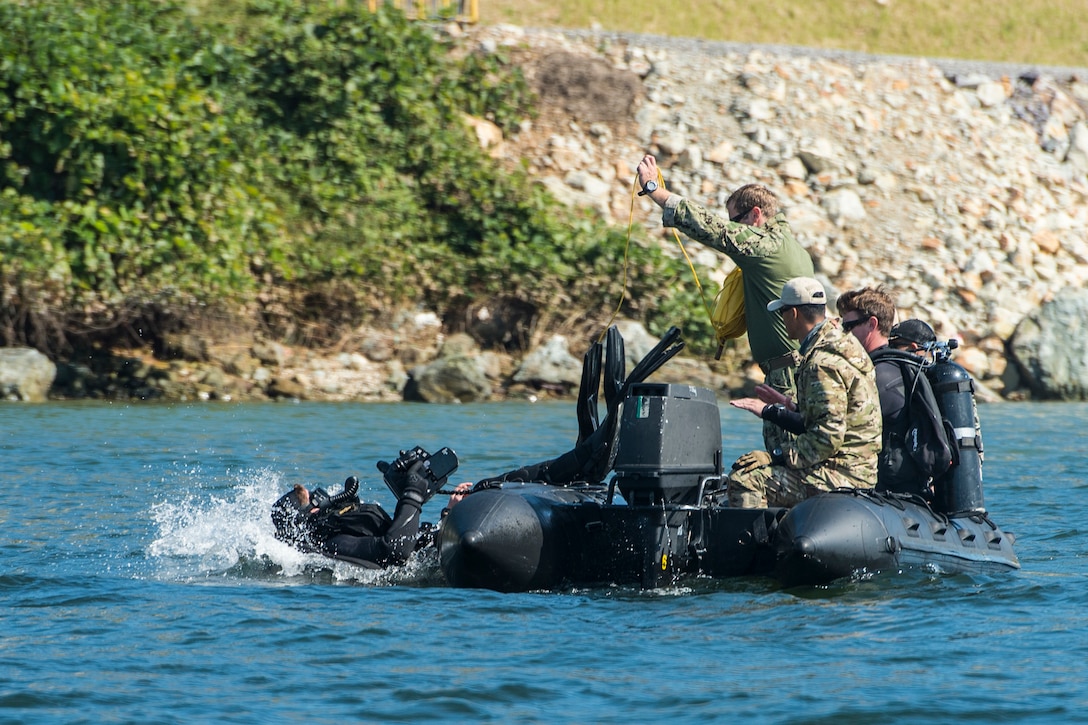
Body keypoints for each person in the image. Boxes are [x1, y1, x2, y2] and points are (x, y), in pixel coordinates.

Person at [636, 154, 814, 454]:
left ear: (755, 215)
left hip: (787, 376)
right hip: (790, 371)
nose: (733, 227)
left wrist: (654, 189)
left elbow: (714, 230)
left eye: (736, 221)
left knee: (789, 456)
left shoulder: (765, 246)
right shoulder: (789, 244)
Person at [725, 277, 882, 508]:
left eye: (783, 312)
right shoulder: (844, 347)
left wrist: (775, 455)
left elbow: (827, 437)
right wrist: (795, 408)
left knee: (745, 480)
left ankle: (757, 545)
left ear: (794, 314)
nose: (782, 319)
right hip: (860, 470)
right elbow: (841, 415)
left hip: (842, 476)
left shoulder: (821, 363)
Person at [837, 291, 952, 496]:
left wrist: (779, 414)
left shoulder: (881, 377)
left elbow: (835, 426)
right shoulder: (888, 370)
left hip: (894, 491)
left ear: (872, 324)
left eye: (848, 327)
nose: (843, 334)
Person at [271, 450, 462, 567]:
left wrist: (449, 514)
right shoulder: (331, 543)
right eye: (313, 497)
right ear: (310, 512)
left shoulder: (343, 527)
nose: (322, 496)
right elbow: (395, 550)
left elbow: (411, 541)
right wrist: (413, 492)